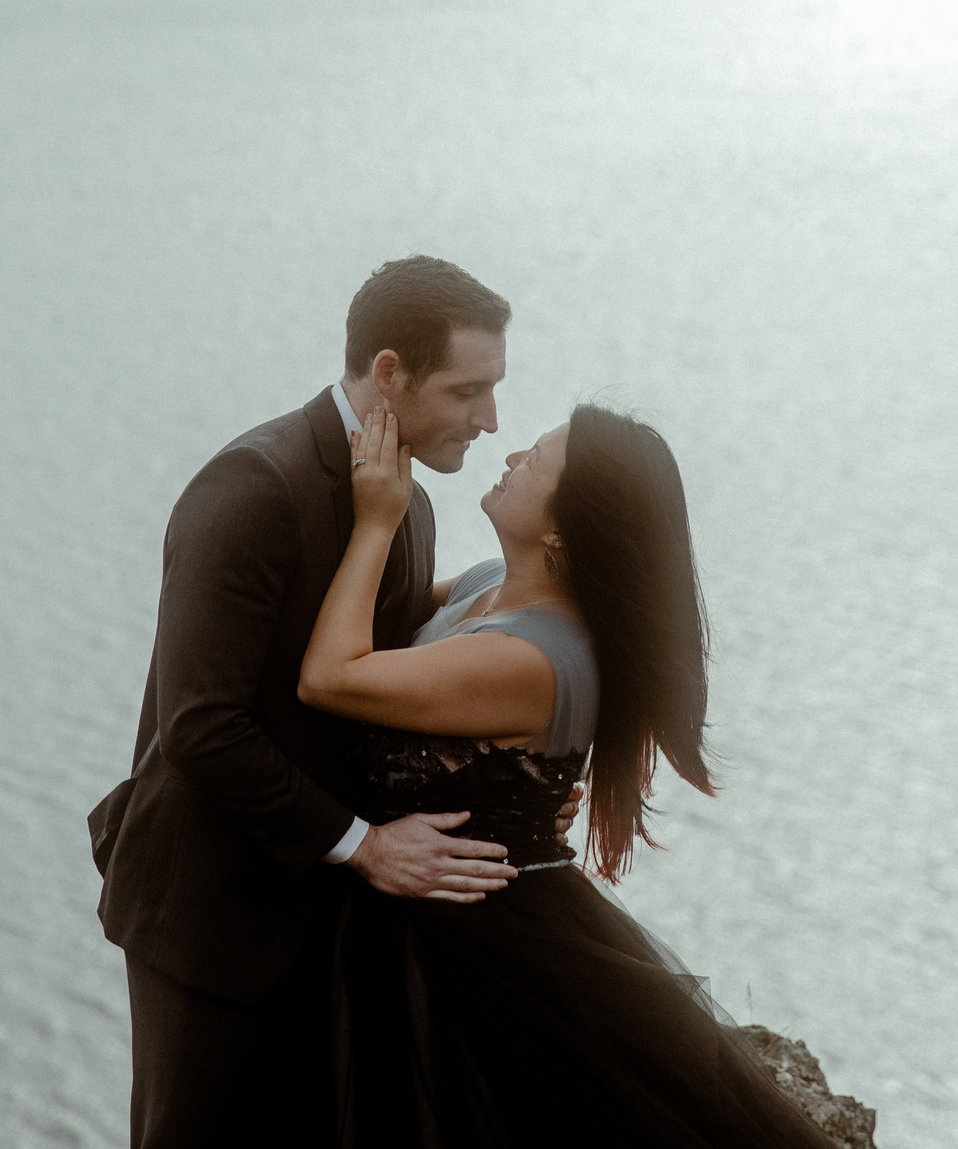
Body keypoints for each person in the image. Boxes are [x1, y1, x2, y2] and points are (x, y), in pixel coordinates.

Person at [89, 256, 569, 1147]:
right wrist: (365, 844)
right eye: (468, 390)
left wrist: (528, 773)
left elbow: (400, 683)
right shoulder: (251, 487)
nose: (490, 418)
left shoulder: (408, 503)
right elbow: (200, 726)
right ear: (390, 372)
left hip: (332, 922)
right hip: (213, 912)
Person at [297, 404, 838, 1147]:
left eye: (535, 459)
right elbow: (372, 626)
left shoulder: (530, 659)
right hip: (426, 919)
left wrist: (376, 521)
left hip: (474, 955)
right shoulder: (489, 585)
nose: (510, 455)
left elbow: (330, 676)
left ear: (562, 529)